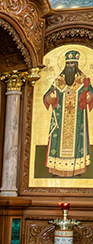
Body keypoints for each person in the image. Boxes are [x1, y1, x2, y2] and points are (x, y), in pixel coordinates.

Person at [42, 49, 93, 177]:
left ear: (76, 65)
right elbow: (47, 96)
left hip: (77, 118)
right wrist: (51, 98)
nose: (70, 66)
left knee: (77, 141)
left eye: (73, 64)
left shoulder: (83, 81)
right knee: (57, 142)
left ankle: (77, 169)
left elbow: (91, 96)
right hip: (60, 118)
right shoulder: (58, 81)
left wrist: (87, 97)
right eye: (68, 64)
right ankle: (56, 170)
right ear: (65, 65)